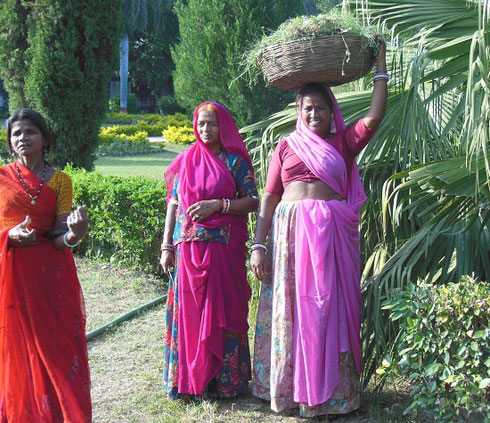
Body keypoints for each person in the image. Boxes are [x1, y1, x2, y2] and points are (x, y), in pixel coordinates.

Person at [250, 40, 388, 417]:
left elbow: (374, 117)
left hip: (329, 238)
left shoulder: (343, 143)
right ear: (299, 111)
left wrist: (380, 63)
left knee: (326, 308)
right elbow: (269, 197)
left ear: (332, 113)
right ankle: (290, 389)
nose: (314, 114)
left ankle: (332, 395)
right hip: (291, 237)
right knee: (292, 309)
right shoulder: (286, 147)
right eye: (308, 108)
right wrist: (258, 245)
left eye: (321, 109)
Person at [160, 101, 259, 399]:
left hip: (223, 251)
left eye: (212, 123)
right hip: (188, 252)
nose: (205, 129)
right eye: (201, 123)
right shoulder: (186, 160)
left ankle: (226, 382)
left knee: (223, 311)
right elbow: (174, 205)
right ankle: (191, 382)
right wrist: (166, 244)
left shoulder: (235, 162)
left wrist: (219, 205)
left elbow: (253, 201)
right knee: (189, 312)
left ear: (224, 126)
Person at [0, 109, 91, 422]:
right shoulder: (0, 178)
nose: (23, 138)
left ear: (44, 137)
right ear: (10, 143)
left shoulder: (61, 182)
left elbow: (57, 236)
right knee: (16, 347)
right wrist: (9, 234)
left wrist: (75, 235)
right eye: (17, 134)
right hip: (10, 277)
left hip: (51, 278)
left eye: (31, 132)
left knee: (56, 347)